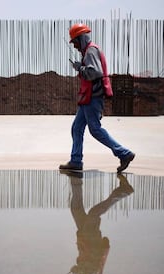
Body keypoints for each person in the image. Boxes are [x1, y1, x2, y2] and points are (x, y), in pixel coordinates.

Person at [59, 23, 135, 175]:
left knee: (95, 129)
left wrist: (80, 68)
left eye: (74, 42)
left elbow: (95, 72)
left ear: (81, 38)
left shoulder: (90, 51)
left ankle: (123, 153)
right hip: (88, 97)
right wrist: (81, 67)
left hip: (93, 97)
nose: (74, 46)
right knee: (77, 128)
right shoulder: (89, 51)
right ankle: (76, 161)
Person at [65, 172, 134, 274]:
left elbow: (88, 266)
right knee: (93, 214)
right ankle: (124, 191)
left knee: (76, 209)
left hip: (85, 239)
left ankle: (76, 180)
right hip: (91, 242)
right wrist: (77, 269)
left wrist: (78, 268)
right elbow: (91, 267)